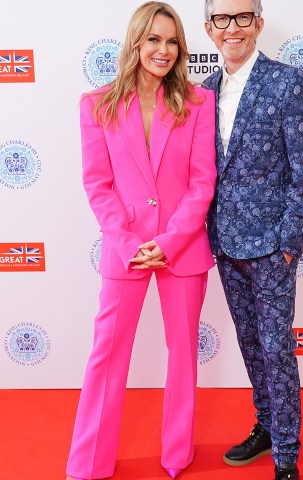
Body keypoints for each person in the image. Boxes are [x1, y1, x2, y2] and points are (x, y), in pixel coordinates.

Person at [65, 2, 216, 479]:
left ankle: (177, 455)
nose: (164, 50)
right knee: (107, 356)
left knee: (183, 358)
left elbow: (202, 183)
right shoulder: (97, 104)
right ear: (135, 42)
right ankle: (89, 463)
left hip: (183, 249)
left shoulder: (197, 103)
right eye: (154, 39)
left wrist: (169, 242)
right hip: (124, 250)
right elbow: (98, 184)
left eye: (172, 41)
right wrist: (132, 245)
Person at [203, 1, 303, 479]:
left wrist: (291, 241)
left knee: (277, 348)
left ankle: (287, 454)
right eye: (221, 19)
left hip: (274, 245)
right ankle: (267, 426)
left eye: (240, 17)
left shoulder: (289, 82)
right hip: (225, 243)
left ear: (257, 22)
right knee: (251, 344)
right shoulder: (202, 92)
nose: (231, 28)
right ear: (209, 28)